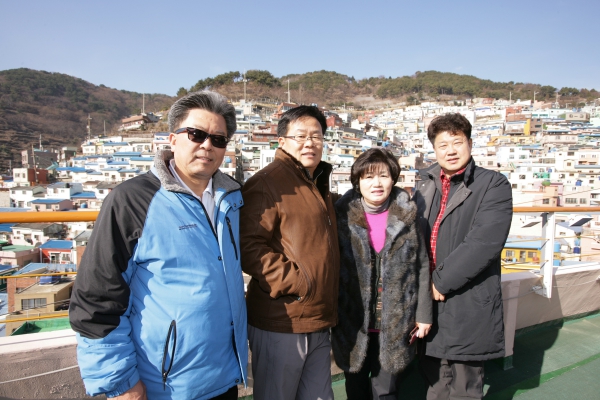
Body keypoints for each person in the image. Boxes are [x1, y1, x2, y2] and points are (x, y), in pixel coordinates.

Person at [69, 91, 248, 399]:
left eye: (218, 139)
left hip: (224, 379)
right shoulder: (132, 200)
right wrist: (120, 384)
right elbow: (96, 301)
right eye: (196, 134)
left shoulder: (231, 200)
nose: (207, 145)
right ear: (173, 139)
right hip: (163, 386)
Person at [240, 105, 339, 400]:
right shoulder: (267, 182)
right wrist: (298, 285)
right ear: (281, 141)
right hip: (282, 319)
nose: (309, 143)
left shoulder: (315, 182)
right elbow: (248, 245)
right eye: (300, 136)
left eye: (316, 136)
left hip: (318, 319)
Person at [413, 113, 513, 400]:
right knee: (433, 381)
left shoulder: (493, 184)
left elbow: (484, 242)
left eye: (457, 142)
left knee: (463, 384)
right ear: (434, 150)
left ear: (470, 143)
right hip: (427, 301)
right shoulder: (425, 184)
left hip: (466, 297)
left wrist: (439, 282)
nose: (451, 150)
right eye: (442, 145)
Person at [332, 148, 432, 400]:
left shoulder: (408, 217)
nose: (376, 183)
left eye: (383, 176)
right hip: (353, 322)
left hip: (396, 323)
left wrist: (423, 315)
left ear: (393, 179)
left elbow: (421, 267)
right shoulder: (341, 217)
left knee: (386, 391)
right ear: (357, 182)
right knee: (355, 388)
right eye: (368, 177)